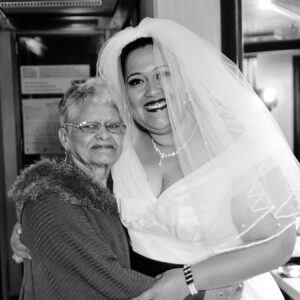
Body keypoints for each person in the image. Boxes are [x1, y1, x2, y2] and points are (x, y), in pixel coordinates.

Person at [11, 18, 300, 299]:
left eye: (162, 74)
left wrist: (190, 279)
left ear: (185, 80)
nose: (151, 89)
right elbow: (75, 192)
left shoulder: (234, 145)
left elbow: (279, 245)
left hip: (220, 293)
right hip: (141, 290)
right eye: (136, 81)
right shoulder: (122, 150)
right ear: (127, 95)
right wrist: (29, 225)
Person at [8, 78, 156, 299]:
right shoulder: (50, 201)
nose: (104, 134)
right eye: (89, 126)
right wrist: (198, 290)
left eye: (113, 125)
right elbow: (113, 279)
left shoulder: (122, 191)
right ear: (65, 138)